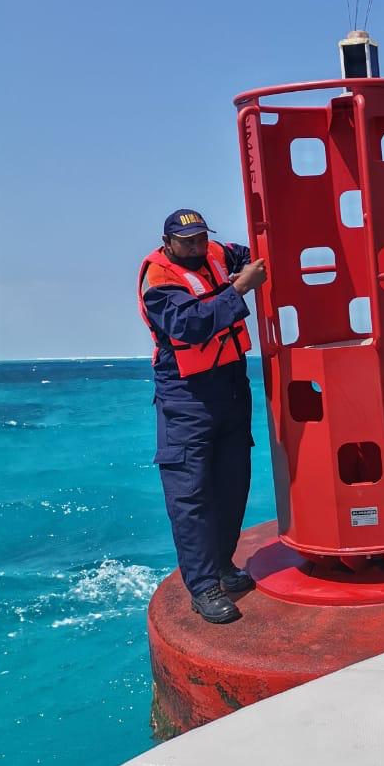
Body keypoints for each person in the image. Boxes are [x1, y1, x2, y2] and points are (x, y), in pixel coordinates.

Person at [138, 209, 267, 624]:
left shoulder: (217, 253)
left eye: (199, 239)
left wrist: (248, 265)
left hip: (231, 389)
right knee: (191, 495)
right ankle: (203, 585)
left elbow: (252, 253)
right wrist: (240, 290)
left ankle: (223, 565)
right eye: (186, 242)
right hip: (186, 399)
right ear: (168, 242)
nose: (196, 247)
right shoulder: (158, 281)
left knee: (233, 483)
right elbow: (189, 324)